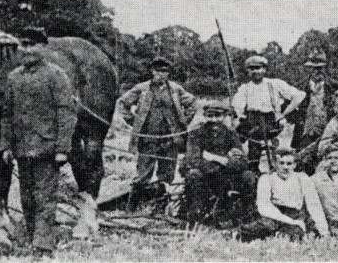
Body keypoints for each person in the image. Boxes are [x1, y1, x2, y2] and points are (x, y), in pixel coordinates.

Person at [0, 29, 77, 258]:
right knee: (27, 197)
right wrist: (6, 145)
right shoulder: (14, 77)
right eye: (24, 45)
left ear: (43, 48)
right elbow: (7, 114)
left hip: (47, 148)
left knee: (45, 198)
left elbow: (66, 112)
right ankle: (34, 236)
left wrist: (63, 149)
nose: (27, 49)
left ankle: (43, 246)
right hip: (23, 148)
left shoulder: (56, 75)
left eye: (33, 45)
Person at [117, 56, 198, 209]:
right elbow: (122, 103)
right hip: (148, 138)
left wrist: (184, 122)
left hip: (170, 139)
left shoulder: (175, 89)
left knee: (166, 175)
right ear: (152, 71)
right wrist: (133, 122)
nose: (161, 74)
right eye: (158, 71)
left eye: (165, 71)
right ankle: (131, 208)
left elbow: (193, 103)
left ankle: (160, 208)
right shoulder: (141, 88)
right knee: (143, 174)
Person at [179, 100, 258, 228]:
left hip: (226, 173)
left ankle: (246, 216)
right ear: (205, 116)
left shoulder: (231, 134)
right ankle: (196, 217)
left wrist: (217, 159)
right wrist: (220, 164)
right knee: (194, 175)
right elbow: (193, 160)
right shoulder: (196, 134)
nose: (214, 120)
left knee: (248, 176)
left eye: (218, 116)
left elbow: (242, 162)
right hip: (206, 174)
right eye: (210, 116)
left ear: (224, 116)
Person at [232, 55, 306, 173]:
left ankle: (276, 168)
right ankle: (252, 171)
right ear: (248, 71)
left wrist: (284, 113)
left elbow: (299, 95)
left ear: (264, 69)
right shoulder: (245, 88)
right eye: (252, 68)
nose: (255, 71)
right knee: (241, 141)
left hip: (271, 122)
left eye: (258, 68)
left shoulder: (274, 84)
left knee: (263, 144)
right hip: (253, 121)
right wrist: (240, 116)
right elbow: (237, 106)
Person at [238, 147, 330, 242]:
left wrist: (324, 232)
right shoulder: (266, 179)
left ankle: (281, 235)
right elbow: (264, 207)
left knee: (296, 234)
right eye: (281, 163)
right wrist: (290, 221)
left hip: (296, 216)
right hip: (273, 216)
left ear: (294, 165)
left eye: (289, 164)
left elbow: (314, 205)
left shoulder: (302, 178)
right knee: (252, 230)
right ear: (274, 164)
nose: (285, 167)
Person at [288, 50, 338, 173]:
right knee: (302, 164)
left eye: (320, 68)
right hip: (304, 132)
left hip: (327, 131)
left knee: (327, 163)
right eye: (313, 68)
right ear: (309, 69)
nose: (317, 71)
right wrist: (297, 118)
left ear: (325, 68)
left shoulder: (335, 87)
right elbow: (288, 107)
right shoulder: (299, 87)